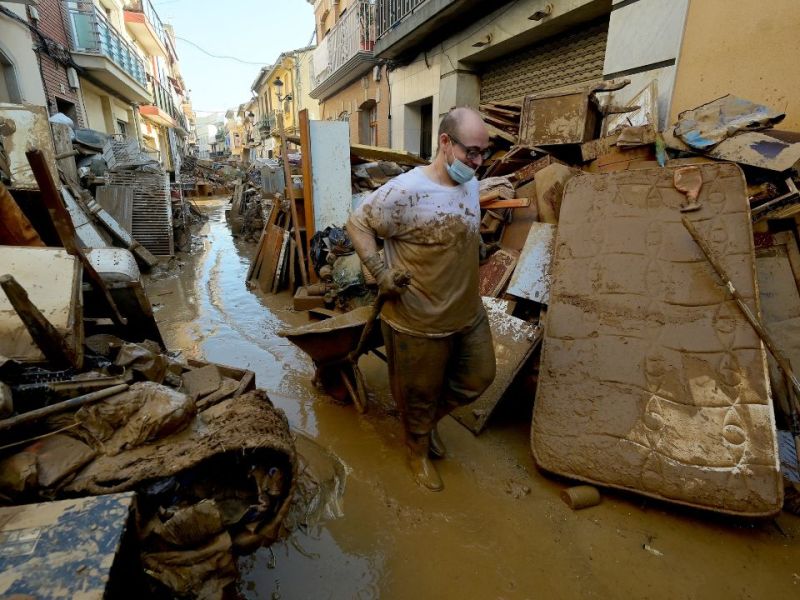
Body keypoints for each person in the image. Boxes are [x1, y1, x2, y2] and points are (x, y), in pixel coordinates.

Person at [346, 107, 496, 491]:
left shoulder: (470, 183)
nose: (478, 163)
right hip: (418, 319)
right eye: (471, 153)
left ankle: (425, 426)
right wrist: (380, 273)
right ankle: (417, 451)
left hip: (467, 311)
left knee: (480, 375)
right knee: (418, 395)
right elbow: (357, 223)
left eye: (484, 153)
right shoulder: (405, 191)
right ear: (445, 143)